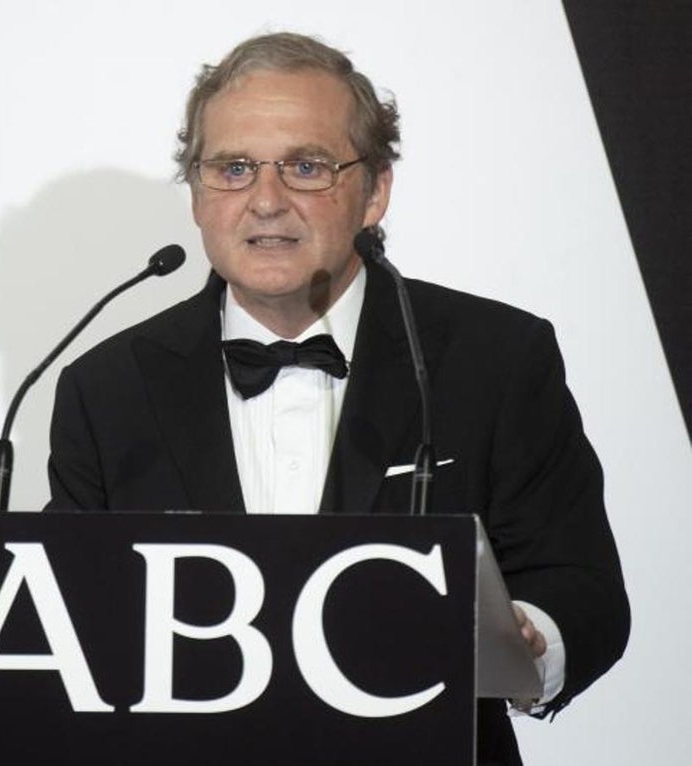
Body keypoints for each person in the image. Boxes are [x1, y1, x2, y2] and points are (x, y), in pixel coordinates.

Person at [45, 32, 629, 765]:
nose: (265, 201)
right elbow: (68, 617)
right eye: (232, 168)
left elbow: (583, 586)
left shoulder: (496, 358)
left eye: (306, 167)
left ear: (375, 191)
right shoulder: (106, 388)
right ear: (196, 194)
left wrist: (527, 636)